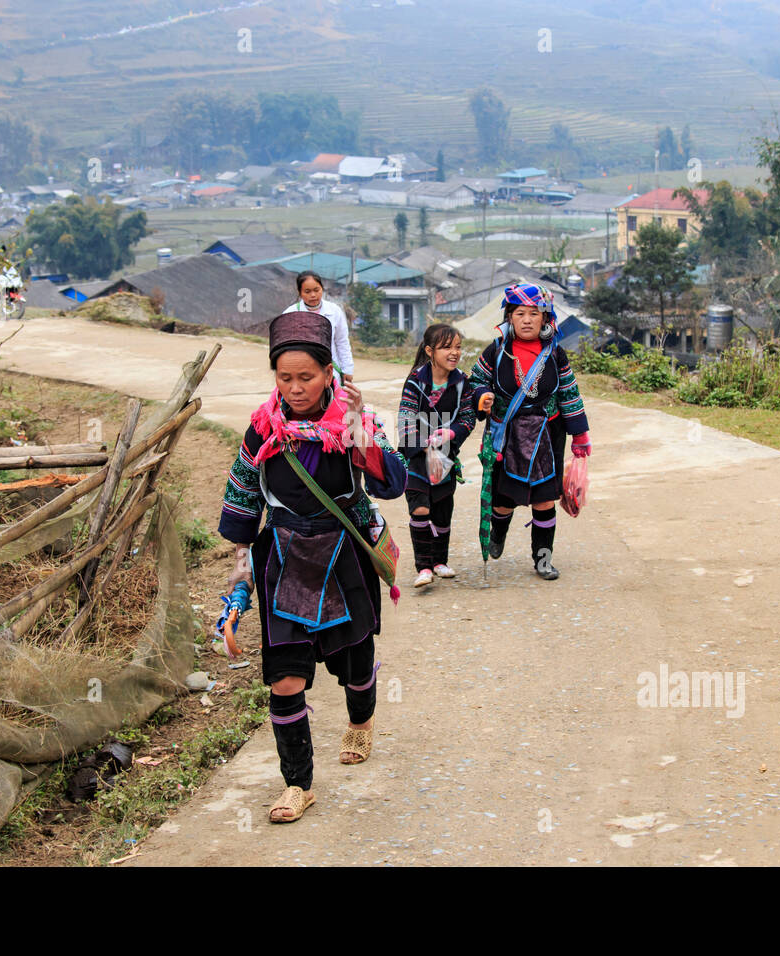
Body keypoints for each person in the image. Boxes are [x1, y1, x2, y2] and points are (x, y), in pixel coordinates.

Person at [218, 310, 407, 823]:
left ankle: (361, 723)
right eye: (285, 377)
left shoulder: (354, 421)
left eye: (306, 377)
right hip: (283, 561)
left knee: (356, 664)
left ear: (329, 373)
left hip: (344, 556)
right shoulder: (262, 430)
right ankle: (297, 785)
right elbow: (242, 505)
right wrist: (239, 582)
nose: (295, 388)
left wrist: (359, 430)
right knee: (284, 678)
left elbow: (393, 482)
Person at [468, 283, 591, 580]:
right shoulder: (496, 350)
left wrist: (580, 436)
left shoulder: (555, 354)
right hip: (506, 435)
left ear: (545, 318)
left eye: (534, 314)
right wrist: (482, 396)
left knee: (544, 500)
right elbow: (475, 381)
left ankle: (543, 559)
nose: (526, 320)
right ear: (509, 317)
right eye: (519, 313)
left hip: (546, 436)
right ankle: (498, 533)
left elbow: (569, 394)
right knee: (503, 501)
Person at [397, 323, 479, 588]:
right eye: (446, 347)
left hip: (445, 456)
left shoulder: (462, 382)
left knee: (442, 511)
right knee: (420, 508)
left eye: (458, 347)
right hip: (417, 457)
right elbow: (406, 419)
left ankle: (440, 561)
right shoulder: (415, 382)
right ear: (430, 351)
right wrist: (423, 445)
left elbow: (468, 418)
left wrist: (451, 434)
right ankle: (423, 567)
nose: (454, 352)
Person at [285, 270, 354, 385]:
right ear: (300, 292)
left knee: (332, 395)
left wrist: (347, 369)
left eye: (316, 290)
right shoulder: (290, 314)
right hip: (302, 373)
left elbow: (342, 342)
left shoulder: (334, 311)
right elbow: (285, 348)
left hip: (330, 371)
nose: (313, 295)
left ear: (322, 289)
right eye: (307, 291)